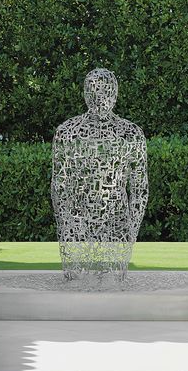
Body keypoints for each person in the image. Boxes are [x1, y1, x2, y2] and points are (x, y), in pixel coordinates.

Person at [51, 68, 148, 281]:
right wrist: (65, 225)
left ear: (115, 94)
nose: (100, 98)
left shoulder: (131, 134)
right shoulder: (67, 132)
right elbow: (59, 185)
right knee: (75, 285)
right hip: (76, 225)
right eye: (94, 92)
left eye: (106, 92)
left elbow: (140, 189)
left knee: (115, 285)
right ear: (85, 94)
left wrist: (131, 233)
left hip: (117, 225)